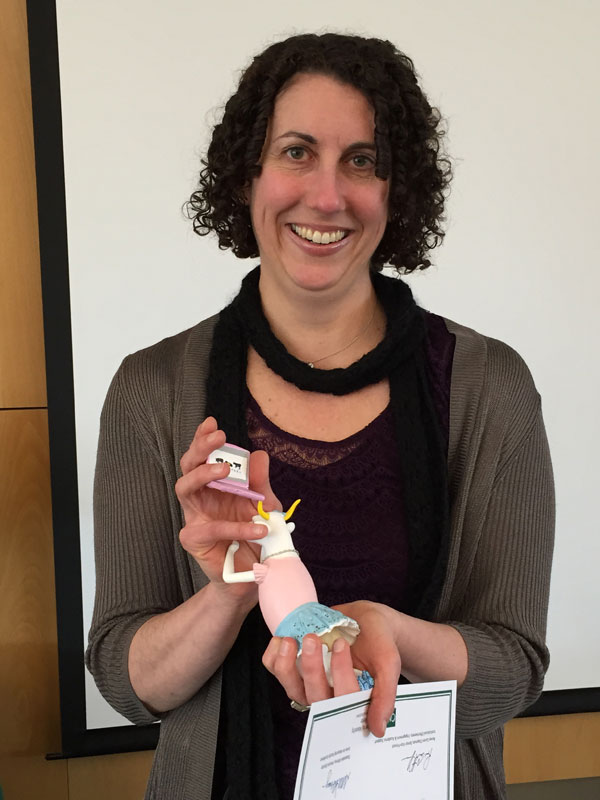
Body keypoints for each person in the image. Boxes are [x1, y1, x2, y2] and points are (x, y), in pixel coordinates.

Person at [86, 32, 555, 800]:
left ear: (398, 190)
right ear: (248, 174)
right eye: (297, 152)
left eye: (362, 161)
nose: (328, 196)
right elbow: (127, 682)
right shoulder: (151, 390)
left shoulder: (488, 388)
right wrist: (231, 590)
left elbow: (515, 671)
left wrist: (393, 634)